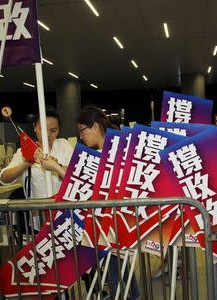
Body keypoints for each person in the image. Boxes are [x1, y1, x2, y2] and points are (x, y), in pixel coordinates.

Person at [77, 106, 139, 299]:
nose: (80, 137)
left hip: (112, 224)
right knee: (119, 269)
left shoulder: (109, 153)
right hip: (112, 222)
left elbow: (92, 181)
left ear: (95, 127)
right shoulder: (114, 149)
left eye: (82, 131)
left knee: (115, 270)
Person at [0, 110, 73, 236]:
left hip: (66, 214)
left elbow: (76, 174)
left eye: (53, 130)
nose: (48, 134)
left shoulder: (64, 145)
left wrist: (57, 166)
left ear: (59, 130)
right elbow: (3, 178)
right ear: (34, 128)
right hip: (38, 217)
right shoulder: (24, 151)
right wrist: (27, 162)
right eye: (43, 130)